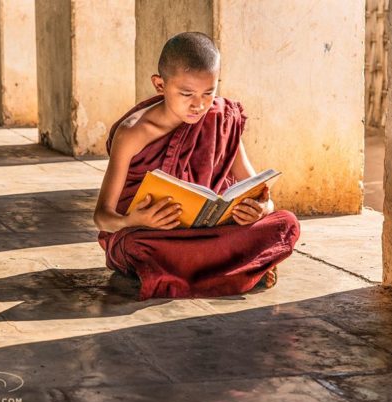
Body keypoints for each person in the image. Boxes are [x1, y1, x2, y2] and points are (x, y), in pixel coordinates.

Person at [93, 32, 300, 300]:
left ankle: (199, 274)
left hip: (209, 231)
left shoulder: (221, 119)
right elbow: (102, 216)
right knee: (138, 247)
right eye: (186, 93)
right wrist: (135, 220)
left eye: (208, 93)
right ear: (159, 85)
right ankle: (240, 270)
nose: (199, 105)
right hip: (153, 235)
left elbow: (261, 193)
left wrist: (261, 210)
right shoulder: (133, 133)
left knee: (285, 222)